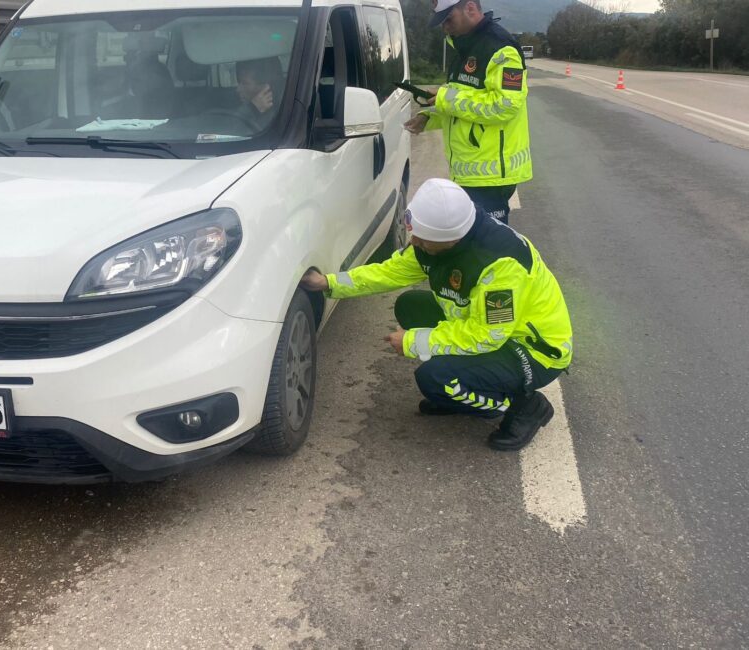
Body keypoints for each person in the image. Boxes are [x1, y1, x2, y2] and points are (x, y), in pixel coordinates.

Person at [300, 179, 572, 451]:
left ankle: (525, 407)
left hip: (532, 352)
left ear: (451, 239)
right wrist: (330, 283)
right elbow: (388, 272)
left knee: (435, 379)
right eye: (415, 233)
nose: (414, 242)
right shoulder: (438, 238)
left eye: (422, 239)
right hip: (494, 330)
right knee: (410, 307)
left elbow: (486, 336)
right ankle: (460, 394)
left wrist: (412, 341)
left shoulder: (500, 266)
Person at [405, 0, 531, 224]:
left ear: (470, 8)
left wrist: (444, 97)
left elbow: (504, 106)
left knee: (486, 244)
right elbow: (462, 101)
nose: (445, 28)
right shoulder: (463, 47)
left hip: (491, 177)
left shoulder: (501, 49)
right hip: (469, 174)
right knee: (469, 240)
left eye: (448, 19)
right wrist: (429, 117)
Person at [234, 57, 284, 131]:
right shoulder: (247, 108)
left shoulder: (278, 114)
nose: (238, 89)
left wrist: (252, 109)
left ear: (266, 87)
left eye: (245, 83)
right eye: (239, 82)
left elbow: (235, 131)